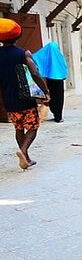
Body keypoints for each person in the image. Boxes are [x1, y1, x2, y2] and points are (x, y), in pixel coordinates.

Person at [0, 18, 50, 170]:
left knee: (19, 127)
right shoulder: (23, 53)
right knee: (33, 126)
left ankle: (26, 158)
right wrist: (45, 91)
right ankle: (23, 151)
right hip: (25, 96)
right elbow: (34, 73)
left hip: (8, 98)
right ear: (17, 36)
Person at [33, 41, 68, 123]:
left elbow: (35, 57)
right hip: (59, 79)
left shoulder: (47, 53)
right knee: (59, 97)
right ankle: (58, 116)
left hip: (50, 78)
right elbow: (64, 66)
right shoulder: (58, 56)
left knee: (51, 95)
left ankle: (54, 112)